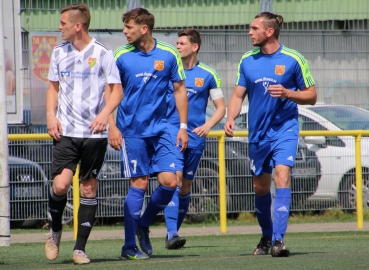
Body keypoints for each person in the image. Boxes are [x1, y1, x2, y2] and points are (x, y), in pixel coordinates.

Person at [224, 12, 317, 257]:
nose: (249, 32)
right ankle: (266, 235)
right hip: (258, 134)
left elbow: (311, 95)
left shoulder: (293, 58)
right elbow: (237, 95)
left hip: (285, 130)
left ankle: (279, 240)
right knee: (260, 187)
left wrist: (288, 93)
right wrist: (231, 117)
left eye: (254, 28)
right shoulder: (247, 60)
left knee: (282, 176)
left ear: (269, 31)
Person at [44, 3, 123, 265]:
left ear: (77, 26)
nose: (60, 27)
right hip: (66, 132)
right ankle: (55, 231)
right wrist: (50, 115)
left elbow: (116, 91)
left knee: (88, 188)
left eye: (63, 23)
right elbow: (53, 88)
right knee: (60, 185)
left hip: (94, 134)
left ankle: (79, 249)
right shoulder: (58, 52)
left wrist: (105, 116)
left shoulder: (103, 53)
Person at [107, 8, 188, 260]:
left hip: (163, 129)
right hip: (132, 132)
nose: (124, 31)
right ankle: (128, 247)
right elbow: (109, 92)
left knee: (170, 182)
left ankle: (144, 223)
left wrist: (183, 127)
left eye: (129, 27)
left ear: (144, 29)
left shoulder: (168, 53)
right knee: (140, 184)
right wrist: (112, 124)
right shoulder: (120, 56)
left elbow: (179, 89)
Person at [163, 28, 226, 249]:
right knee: (175, 180)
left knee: (185, 187)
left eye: (181, 43)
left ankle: (173, 233)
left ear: (194, 46)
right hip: (173, 134)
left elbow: (221, 108)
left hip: (196, 139)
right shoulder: (170, 71)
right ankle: (172, 233)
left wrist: (208, 126)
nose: (177, 46)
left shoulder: (208, 74)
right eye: (177, 43)